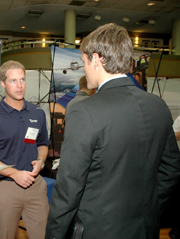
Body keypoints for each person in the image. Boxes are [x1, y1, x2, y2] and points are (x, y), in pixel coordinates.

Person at [46, 23, 180, 239]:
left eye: (84, 62)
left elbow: (68, 189)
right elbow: (171, 170)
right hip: (147, 228)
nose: (84, 69)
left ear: (96, 59)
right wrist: (149, 207)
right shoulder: (158, 106)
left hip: (99, 230)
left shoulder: (85, 110)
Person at [0, 60, 51, 239]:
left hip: (35, 186)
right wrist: (14, 173)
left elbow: (43, 143)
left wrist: (40, 160)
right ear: (3, 83)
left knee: (44, 235)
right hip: (5, 188)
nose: (19, 86)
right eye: (13, 81)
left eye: (22, 80)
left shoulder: (37, 113)